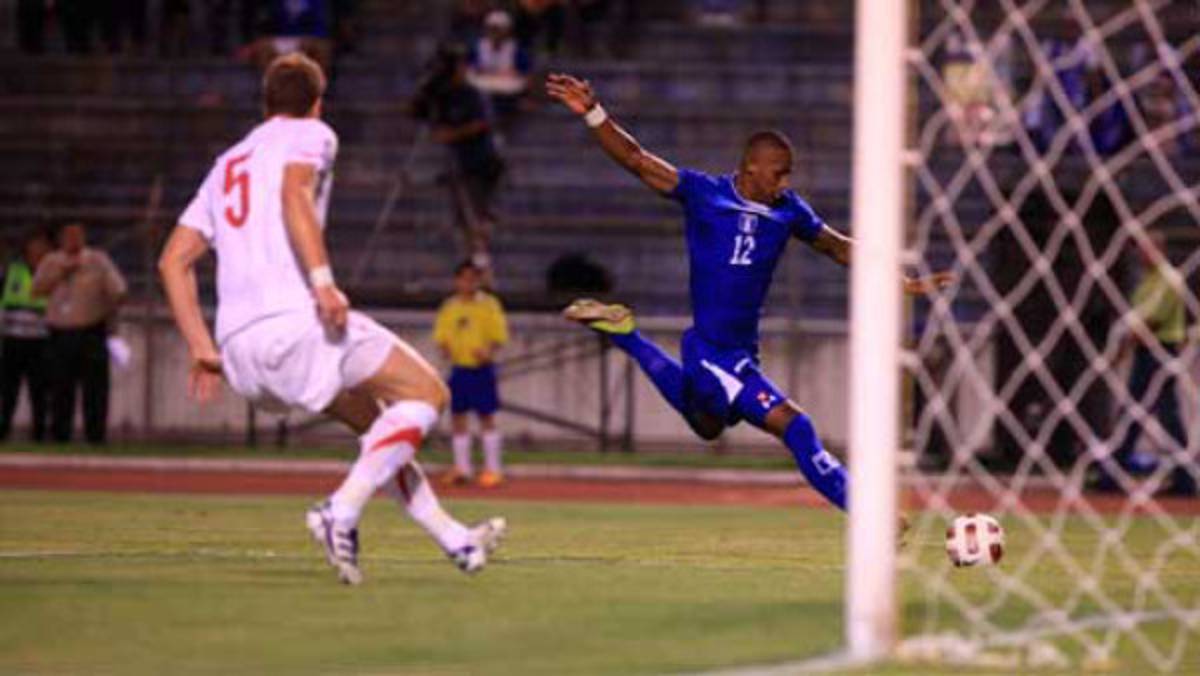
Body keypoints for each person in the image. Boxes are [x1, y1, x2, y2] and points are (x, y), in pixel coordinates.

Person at [158, 53, 506, 586]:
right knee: (428, 395)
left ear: (265, 101)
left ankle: (454, 539)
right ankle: (338, 511)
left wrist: (202, 347)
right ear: (317, 103)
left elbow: (173, 260)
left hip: (240, 352)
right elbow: (294, 192)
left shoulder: (228, 161)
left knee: (382, 432)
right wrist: (323, 283)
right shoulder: (313, 134)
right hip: (294, 323)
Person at [546, 73, 953, 516]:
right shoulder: (705, 193)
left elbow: (835, 245)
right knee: (796, 426)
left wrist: (899, 280)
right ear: (751, 168)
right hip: (712, 352)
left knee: (705, 424)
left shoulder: (789, 210)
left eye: (788, 175)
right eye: (779, 173)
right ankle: (873, 517)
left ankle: (625, 334)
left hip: (740, 351)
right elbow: (638, 160)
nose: (784, 182)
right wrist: (593, 112)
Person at [1094, 231, 1195, 496]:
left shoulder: (1169, 279)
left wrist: (1122, 348)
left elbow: (1153, 320)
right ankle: (1115, 474)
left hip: (1160, 352)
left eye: (1146, 248)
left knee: (1159, 416)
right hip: (1146, 352)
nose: (1141, 253)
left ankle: (1184, 479)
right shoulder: (1146, 282)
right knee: (1139, 414)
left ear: (1158, 249)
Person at [33, 223, 127, 445]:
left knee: (95, 389)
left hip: (90, 330)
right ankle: (59, 436)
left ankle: (96, 436)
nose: (73, 240)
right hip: (59, 331)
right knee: (59, 388)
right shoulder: (51, 261)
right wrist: (61, 273)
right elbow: (37, 289)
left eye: (77, 236)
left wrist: (108, 310)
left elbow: (119, 291)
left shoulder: (97, 260)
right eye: (68, 236)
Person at [427, 45, 506, 280]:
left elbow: (482, 123)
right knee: (465, 221)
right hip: (458, 164)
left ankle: (483, 268)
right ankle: (476, 265)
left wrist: (453, 134)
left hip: (481, 162)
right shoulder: (442, 95)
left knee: (477, 219)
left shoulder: (473, 94)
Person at [434, 260, 509, 488]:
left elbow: (499, 335)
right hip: (460, 368)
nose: (468, 283)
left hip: (482, 369)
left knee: (486, 416)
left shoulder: (489, 305)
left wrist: (488, 351)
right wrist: (446, 348)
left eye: (473, 278)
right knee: (458, 417)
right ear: (457, 281)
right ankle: (462, 468)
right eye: (464, 278)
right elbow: (441, 335)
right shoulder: (450, 306)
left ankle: (493, 469)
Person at [0, 231, 53, 442]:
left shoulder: (53, 271)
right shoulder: (13, 271)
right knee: (8, 390)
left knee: (39, 392)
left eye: (42, 246)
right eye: (34, 246)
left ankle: (39, 434)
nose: (37, 251)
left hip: (41, 341)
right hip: (13, 339)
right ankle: (3, 431)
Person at [467, 10, 533, 123]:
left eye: (498, 29)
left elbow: (527, 72)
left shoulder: (516, 49)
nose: (495, 33)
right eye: (492, 29)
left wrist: (517, 74)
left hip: (507, 90)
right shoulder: (478, 46)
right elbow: (469, 67)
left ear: (507, 30)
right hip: (483, 87)